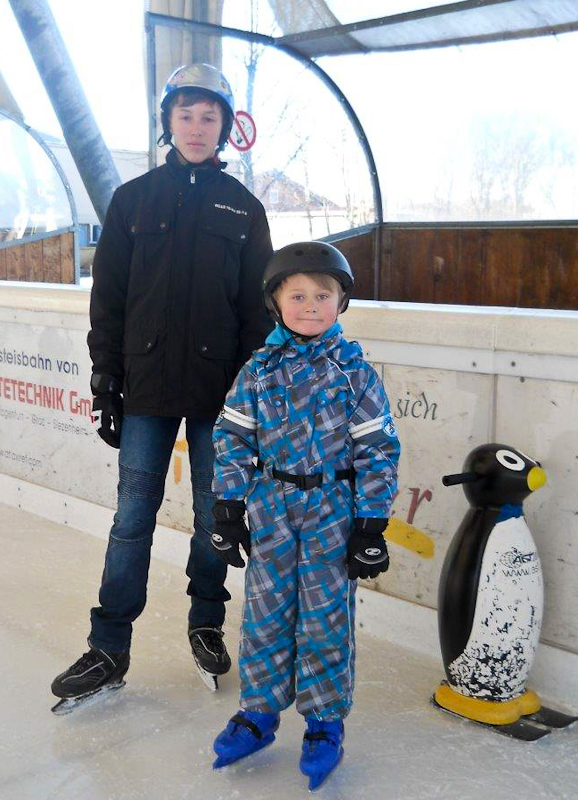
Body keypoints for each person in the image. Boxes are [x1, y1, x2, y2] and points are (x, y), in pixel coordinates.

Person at [50, 63, 273, 712]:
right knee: (130, 520)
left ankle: (206, 621)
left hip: (219, 394)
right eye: (186, 115)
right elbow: (110, 300)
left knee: (214, 518)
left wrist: (251, 401)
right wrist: (105, 379)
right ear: (167, 122)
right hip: (144, 386)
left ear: (226, 126)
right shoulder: (133, 200)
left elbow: (257, 316)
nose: (197, 128)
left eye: (210, 117)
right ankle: (109, 646)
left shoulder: (245, 210)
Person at [208, 241, 400, 789]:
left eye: (323, 295)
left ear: (341, 303)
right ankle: (259, 713)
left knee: (324, 618)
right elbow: (232, 437)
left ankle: (323, 720)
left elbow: (378, 449)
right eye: (298, 295)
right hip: (271, 505)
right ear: (276, 303)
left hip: (332, 512)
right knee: (265, 612)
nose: (311, 305)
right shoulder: (258, 371)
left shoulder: (355, 374)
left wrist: (370, 523)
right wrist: (227, 507)